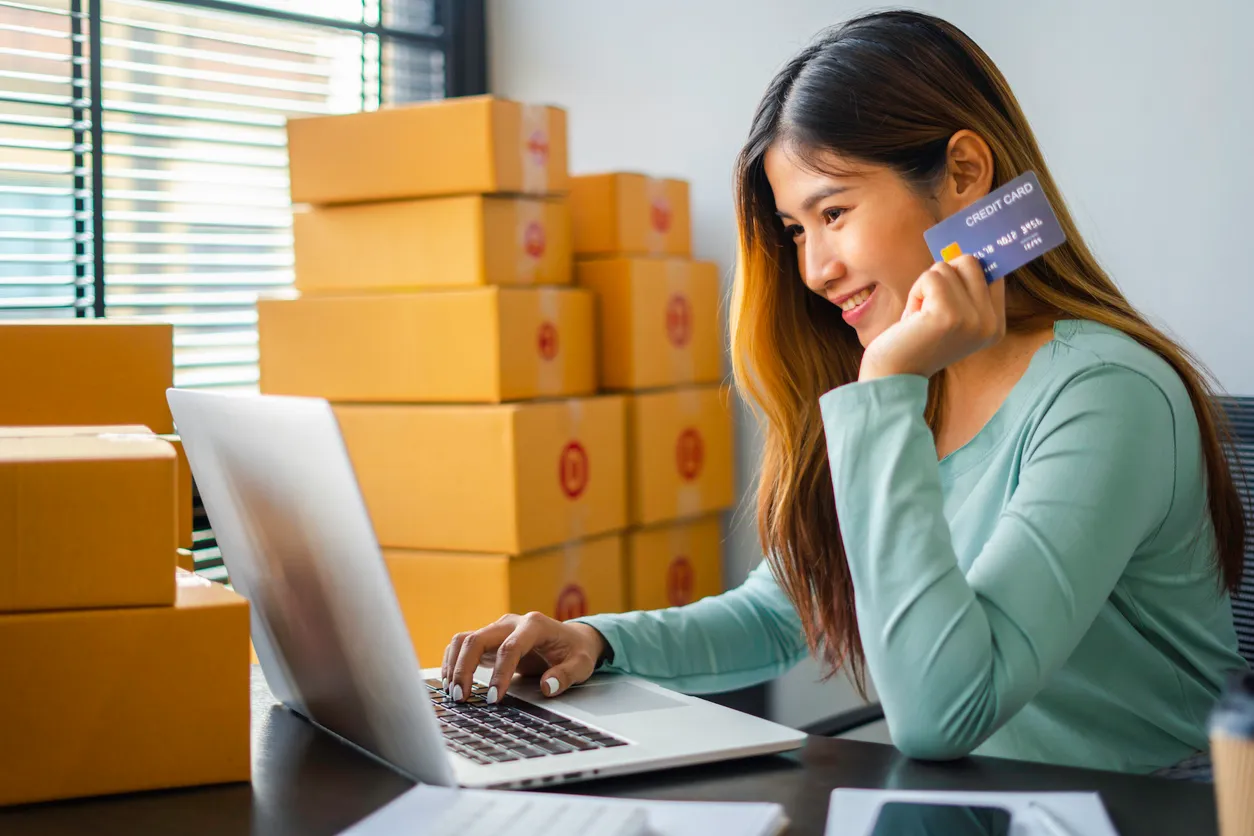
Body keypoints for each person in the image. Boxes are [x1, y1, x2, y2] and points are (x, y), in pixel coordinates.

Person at [439, 10, 1250, 773]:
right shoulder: (913, 382)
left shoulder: (1104, 394)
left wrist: (887, 383)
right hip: (974, 805)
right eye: (796, 229)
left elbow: (942, 713)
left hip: (1148, 809)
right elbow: (781, 610)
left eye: (834, 211)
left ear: (965, 171)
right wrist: (595, 642)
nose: (814, 269)